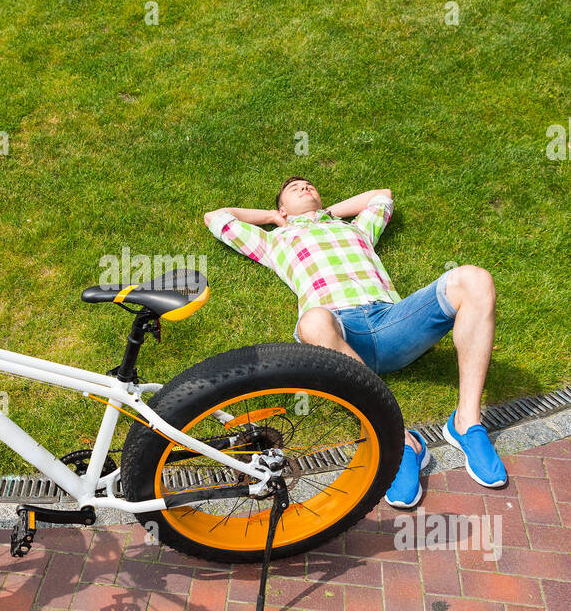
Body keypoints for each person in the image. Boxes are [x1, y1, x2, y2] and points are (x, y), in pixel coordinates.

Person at [204, 176, 507, 509]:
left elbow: (382, 195)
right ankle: (400, 442)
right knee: (312, 320)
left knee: (475, 279)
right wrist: (276, 218)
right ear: (281, 208)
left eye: (309, 186)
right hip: (336, 334)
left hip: (391, 323)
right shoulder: (275, 241)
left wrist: (325, 213)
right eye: (295, 189)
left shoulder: (358, 230)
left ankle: (467, 422)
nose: (305, 188)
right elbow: (216, 217)